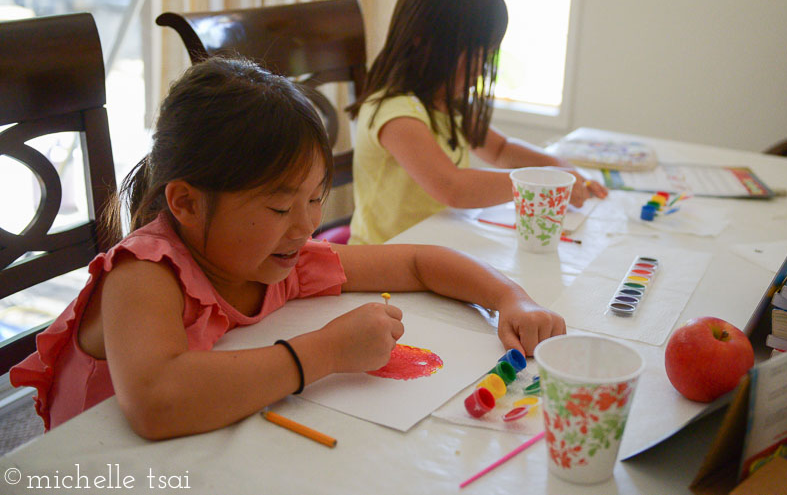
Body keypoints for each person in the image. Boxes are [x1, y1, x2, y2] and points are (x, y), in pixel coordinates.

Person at [10, 57, 565, 439]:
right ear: (186, 203)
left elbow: (418, 261)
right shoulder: (144, 275)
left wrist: (509, 297)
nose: (305, 227)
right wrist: (324, 352)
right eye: (279, 208)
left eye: (316, 199)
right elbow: (157, 401)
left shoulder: (275, 258)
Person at [346, 0, 607, 245]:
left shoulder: (446, 103)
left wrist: (562, 169)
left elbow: (501, 150)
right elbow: (453, 188)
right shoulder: (395, 114)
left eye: (489, 54)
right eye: (476, 53)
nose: (483, 67)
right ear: (423, 40)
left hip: (436, 250)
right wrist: (541, 181)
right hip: (385, 263)